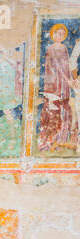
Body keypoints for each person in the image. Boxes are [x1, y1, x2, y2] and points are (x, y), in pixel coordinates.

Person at [38, 23, 73, 152]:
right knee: (52, 111)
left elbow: (66, 65)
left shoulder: (64, 48)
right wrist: (65, 79)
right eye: (58, 33)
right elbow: (56, 66)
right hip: (53, 84)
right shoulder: (51, 49)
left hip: (63, 84)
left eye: (63, 34)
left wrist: (70, 80)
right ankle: (47, 141)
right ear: (53, 34)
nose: (60, 36)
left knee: (62, 111)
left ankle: (59, 140)